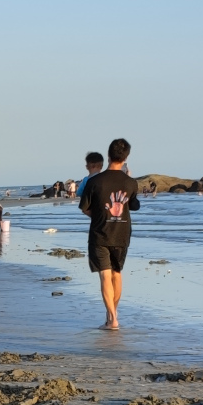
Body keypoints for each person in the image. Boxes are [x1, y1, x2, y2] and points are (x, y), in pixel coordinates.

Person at [78, 138, 139, 329]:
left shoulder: (94, 181)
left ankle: (112, 319)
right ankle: (113, 313)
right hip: (122, 232)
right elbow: (135, 206)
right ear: (126, 156)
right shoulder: (131, 183)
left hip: (100, 233)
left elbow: (85, 208)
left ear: (108, 155)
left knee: (105, 276)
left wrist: (99, 216)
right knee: (117, 274)